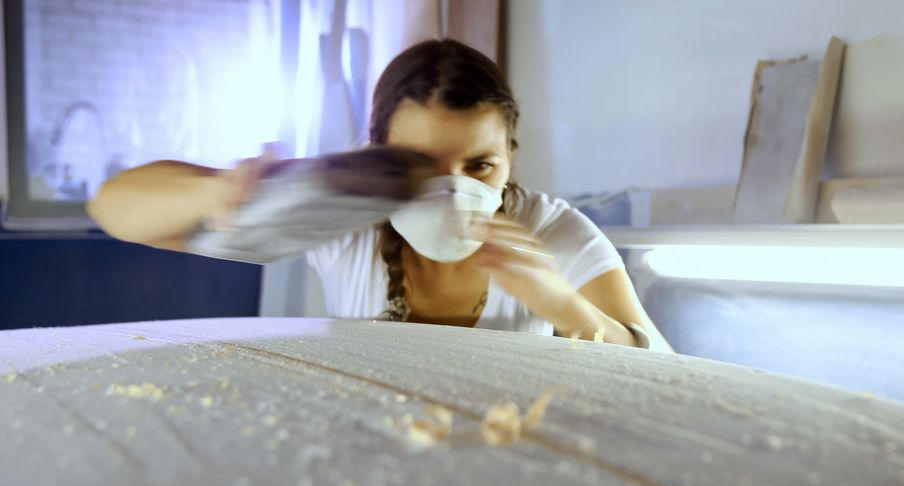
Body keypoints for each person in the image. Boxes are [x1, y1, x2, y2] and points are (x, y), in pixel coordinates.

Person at [90, 39, 670, 351]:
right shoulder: (348, 218)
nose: (453, 190)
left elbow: (662, 374)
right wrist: (222, 190)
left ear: (511, 156)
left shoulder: (549, 233)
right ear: (377, 151)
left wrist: (560, 303)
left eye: (481, 167)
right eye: (422, 166)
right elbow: (116, 210)